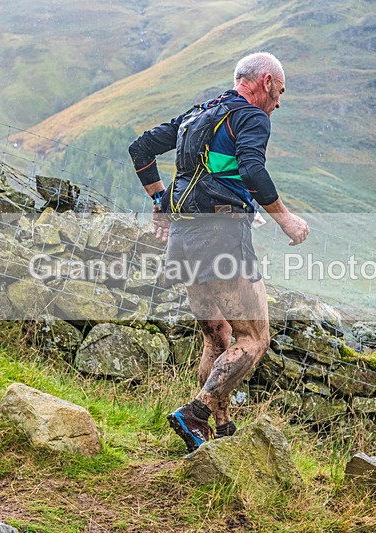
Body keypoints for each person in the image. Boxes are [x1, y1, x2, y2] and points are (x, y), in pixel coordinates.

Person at [129, 52, 309, 452]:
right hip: (222, 238)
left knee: (218, 337)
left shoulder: (198, 115)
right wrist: (285, 219)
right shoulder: (251, 116)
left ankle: (220, 427)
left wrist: (161, 202)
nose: (277, 103)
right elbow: (252, 170)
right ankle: (196, 412)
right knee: (255, 338)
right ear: (265, 82)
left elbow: (140, 149)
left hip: (184, 240)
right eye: (278, 92)